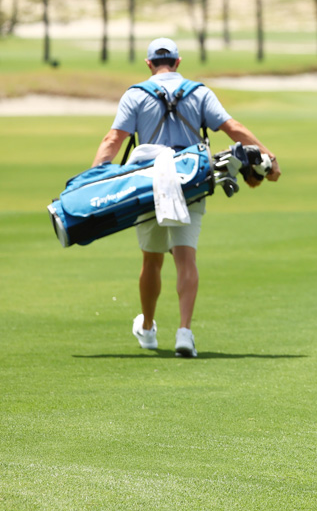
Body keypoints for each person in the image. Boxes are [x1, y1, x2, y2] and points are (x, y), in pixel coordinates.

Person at [91, 38, 281, 357]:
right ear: (178, 62)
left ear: (149, 63)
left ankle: (148, 328)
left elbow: (114, 139)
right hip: (190, 181)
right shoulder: (199, 92)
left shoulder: (135, 94)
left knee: (151, 259)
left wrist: (93, 180)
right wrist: (268, 156)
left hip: (148, 183)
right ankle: (184, 332)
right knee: (185, 257)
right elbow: (232, 127)